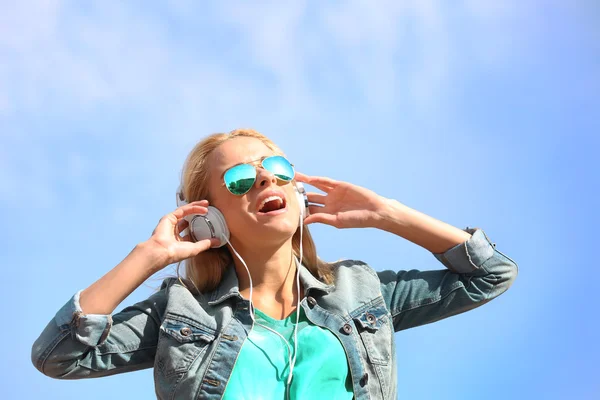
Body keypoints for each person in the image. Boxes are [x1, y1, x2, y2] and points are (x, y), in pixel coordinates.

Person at [31, 128, 518, 400]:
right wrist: (147, 257)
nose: (267, 182)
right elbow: (57, 356)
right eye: (242, 179)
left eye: (279, 171)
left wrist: (389, 214)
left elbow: (491, 274)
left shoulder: (360, 290)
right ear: (209, 220)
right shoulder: (181, 313)